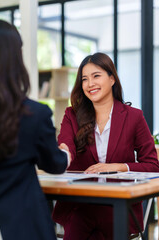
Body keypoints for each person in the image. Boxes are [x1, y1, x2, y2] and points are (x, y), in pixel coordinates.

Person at [52, 52, 159, 240]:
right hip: (80, 206)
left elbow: (152, 165)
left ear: (112, 79)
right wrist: (63, 154)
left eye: (96, 76)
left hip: (117, 206)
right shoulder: (72, 114)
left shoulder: (134, 117)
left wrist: (117, 167)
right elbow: (66, 144)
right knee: (79, 219)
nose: (90, 84)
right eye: (84, 79)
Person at [0, 20, 71, 240]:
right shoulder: (34, 114)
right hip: (21, 224)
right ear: (15, 59)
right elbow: (54, 163)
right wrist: (66, 155)